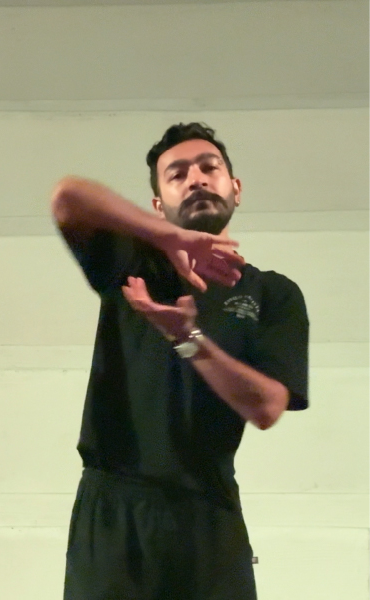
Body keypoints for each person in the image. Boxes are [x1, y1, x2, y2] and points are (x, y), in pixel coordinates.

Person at [50, 122, 310, 599]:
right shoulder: (134, 265)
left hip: (207, 514)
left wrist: (188, 339)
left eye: (210, 168)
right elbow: (68, 197)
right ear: (158, 203)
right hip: (113, 513)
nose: (196, 179)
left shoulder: (272, 293)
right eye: (177, 174)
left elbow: (268, 406)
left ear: (235, 187)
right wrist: (166, 238)